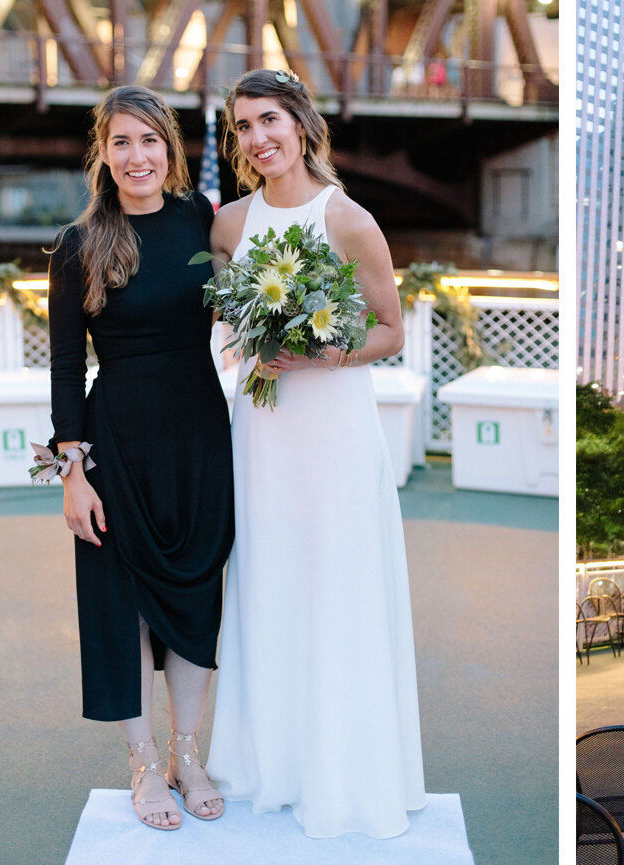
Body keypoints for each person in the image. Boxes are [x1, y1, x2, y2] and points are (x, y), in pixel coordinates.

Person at [206, 69, 426, 839]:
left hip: (332, 429)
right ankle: (274, 764)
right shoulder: (230, 226)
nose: (258, 138)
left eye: (269, 120)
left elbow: (391, 330)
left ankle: (344, 770)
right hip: (263, 434)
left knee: (338, 586)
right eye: (243, 127)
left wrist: (323, 352)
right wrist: (249, 349)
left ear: (300, 124)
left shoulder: (351, 219)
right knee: (268, 582)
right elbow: (227, 331)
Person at [47, 85, 233, 830]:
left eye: (149, 140)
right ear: (104, 151)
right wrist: (73, 472)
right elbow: (65, 364)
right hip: (117, 439)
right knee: (124, 606)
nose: (137, 156)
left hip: (198, 436)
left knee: (194, 596)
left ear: (170, 148)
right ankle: (143, 763)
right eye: (121, 142)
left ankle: (189, 753)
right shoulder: (79, 243)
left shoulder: (201, 220)